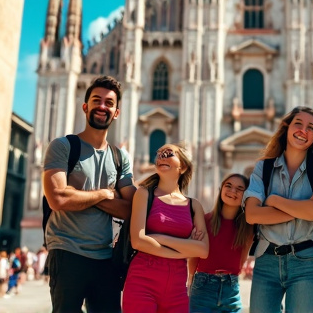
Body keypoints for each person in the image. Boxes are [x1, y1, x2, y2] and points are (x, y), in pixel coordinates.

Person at [43, 75, 136, 313]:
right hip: (67, 251)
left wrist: (79, 195)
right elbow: (58, 199)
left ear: (116, 113)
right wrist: (107, 193)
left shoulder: (120, 158)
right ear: (85, 106)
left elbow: (130, 209)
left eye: (109, 103)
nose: (102, 106)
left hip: (106, 258)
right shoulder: (63, 146)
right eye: (97, 100)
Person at [243, 106, 313, 313]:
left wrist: (274, 200)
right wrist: (305, 208)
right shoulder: (264, 168)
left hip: (305, 261)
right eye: (298, 124)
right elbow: (252, 215)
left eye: (311, 128)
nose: (303, 131)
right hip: (266, 261)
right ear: (286, 128)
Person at [123, 143, 209, 313]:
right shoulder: (143, 194)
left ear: (182, 167)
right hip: (142, 281)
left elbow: (203, 250)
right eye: (159, 153)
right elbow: (138, 242)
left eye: (168, 153)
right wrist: (184, 250)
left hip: (177, 287)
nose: (161, 156)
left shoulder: (194, 206)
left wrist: (159, 238)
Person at [188, 173, 254, 313]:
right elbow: (195, 256)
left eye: (239, 188)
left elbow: (242, 257)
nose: (232, 191)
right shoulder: (204, 220)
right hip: (202, 288)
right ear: (221, 189)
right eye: (228, 186)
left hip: (231, 290)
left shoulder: (247, 228)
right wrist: (190, 280)